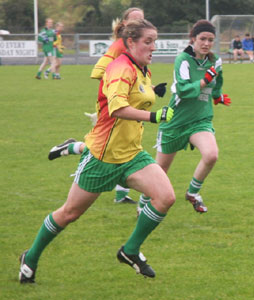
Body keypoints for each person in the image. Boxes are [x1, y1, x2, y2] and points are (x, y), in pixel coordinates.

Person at [19, 19, 175, 284]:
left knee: (165, 197)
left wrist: (153, 92)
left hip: (132, 155)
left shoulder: (143, 69)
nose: (153, 47)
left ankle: (130, 251)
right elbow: (117, 109)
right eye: (148, 42)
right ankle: (30, 258)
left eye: (155, 41)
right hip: (102, 157)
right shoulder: (120, 68)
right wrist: (154, 116)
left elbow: (139, 94)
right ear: (130, 42)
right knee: (69, 213)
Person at [48, 8, 163, 205]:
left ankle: (119, 194)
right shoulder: (120, 46)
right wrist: (117, 88)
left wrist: (147, 88)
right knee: (107, 148)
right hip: (113, 106)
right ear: (124, 24)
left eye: (142, 20)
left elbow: (134, 78)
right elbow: (99, 70)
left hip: (125, 104)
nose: (139, 23)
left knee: (123, 145)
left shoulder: (140, 48)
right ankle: (118, 192)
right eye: (134, 20)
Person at [152, 19, 231, 214]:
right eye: (202, 39)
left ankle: (193, 193)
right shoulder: (183, 60)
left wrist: (217, 95)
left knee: (211, 154)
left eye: (210, 40)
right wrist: (205, 80)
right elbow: (184, 90)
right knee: (159, 171)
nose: (206, 43)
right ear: (193, 39)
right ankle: (145, 202)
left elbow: (217, 80)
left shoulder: (215, 61)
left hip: (200, 120)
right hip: (176, 121)